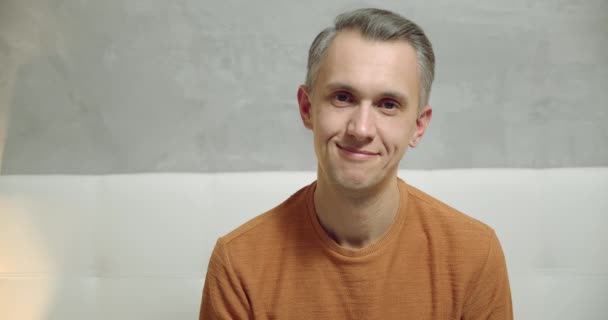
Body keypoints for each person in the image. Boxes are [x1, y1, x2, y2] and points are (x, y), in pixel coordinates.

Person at [199, 8, 513, 319]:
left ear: (418, 126)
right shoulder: (238, 263)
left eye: (388, 105)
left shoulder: (474, 255)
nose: (361, 129)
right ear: (307, 108)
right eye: (343, 97)